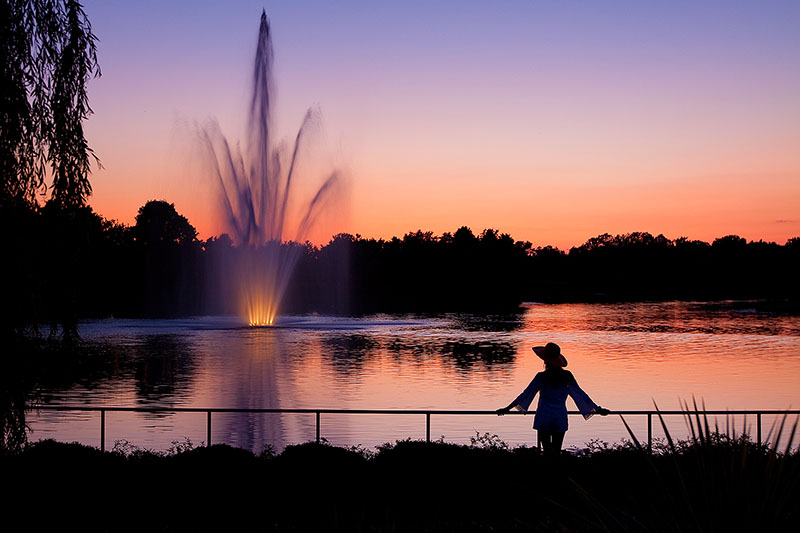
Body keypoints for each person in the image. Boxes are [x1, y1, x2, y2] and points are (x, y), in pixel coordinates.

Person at [497, 342, 610, 454]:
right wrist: (598, 409)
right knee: (556, 451)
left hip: (544, 415)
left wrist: (507, 408)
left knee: (547, 452)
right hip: (559, 415)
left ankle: (549, 470)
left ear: (545, 360)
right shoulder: (567, 376)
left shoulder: (541, 376)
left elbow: (526, 394)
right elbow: (580, 395)